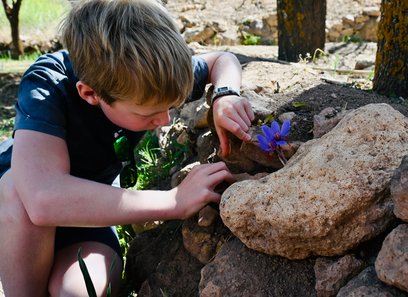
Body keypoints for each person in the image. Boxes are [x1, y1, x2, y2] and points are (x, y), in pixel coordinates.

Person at [0, 0, 254, 296]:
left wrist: (225, 94)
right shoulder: (48, 84)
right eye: (148, 114)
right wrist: (173, 201)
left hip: (89, 216)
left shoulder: (148, 78)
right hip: (17, 219)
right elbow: (42, 200)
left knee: (77, 292)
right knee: (17, 191)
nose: (164, 120)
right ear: (91, 93)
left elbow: (221, 59)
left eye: (172, 106)